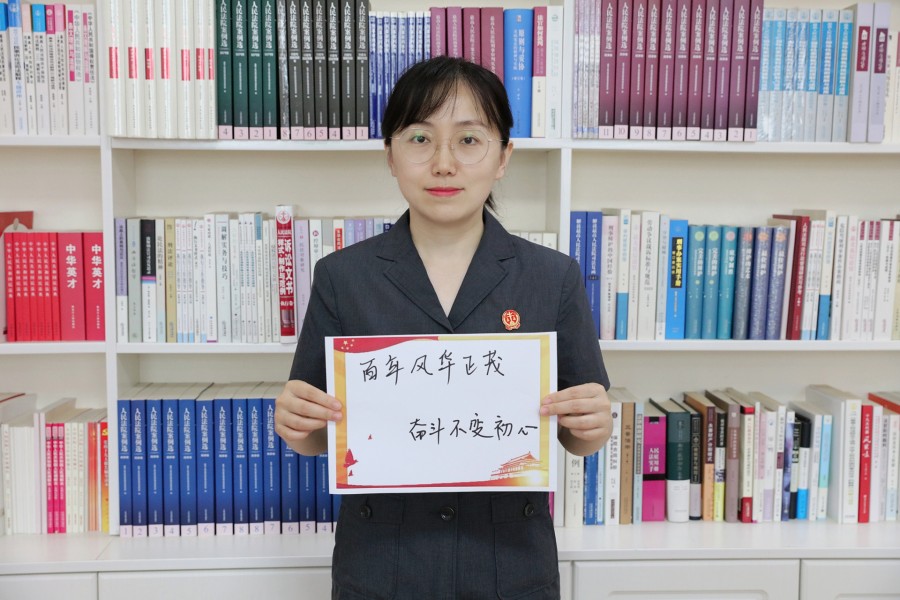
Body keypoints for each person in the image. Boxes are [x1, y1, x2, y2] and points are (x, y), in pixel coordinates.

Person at [276, 56, 612, 600]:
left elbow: (577, 435)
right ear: (390, 155)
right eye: (419, 139)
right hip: (381, 569)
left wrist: (593, 427)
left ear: (503, 157)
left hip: (509, 569)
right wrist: (299, 425)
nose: (443, 164)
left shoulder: (553, 277)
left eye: (469, 140)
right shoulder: (342, 276)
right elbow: (318, 433)